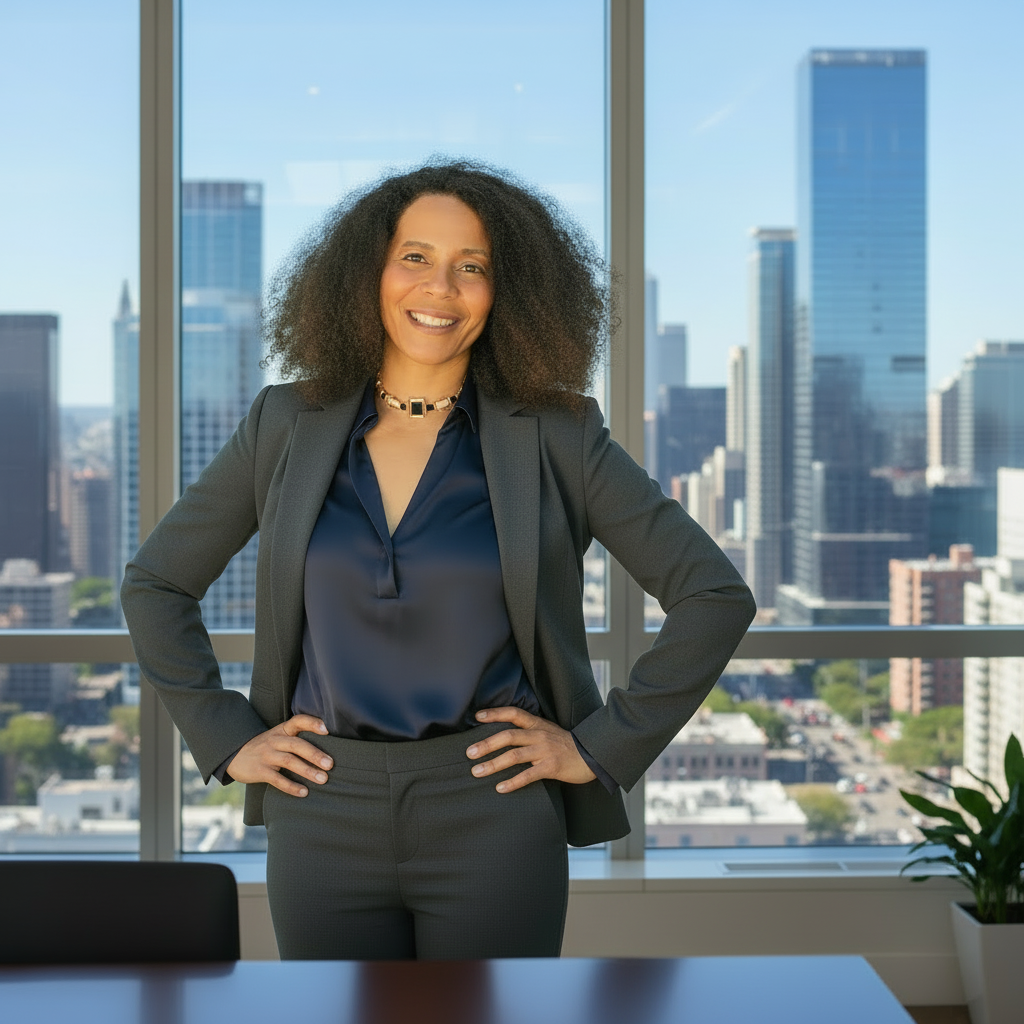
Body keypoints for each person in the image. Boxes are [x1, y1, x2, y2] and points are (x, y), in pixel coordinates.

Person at [121, 160, 755, 961]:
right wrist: (224, 734)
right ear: (369, 274)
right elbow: (156, 582)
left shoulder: (558, 432)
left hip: (492, 809)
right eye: (415, 257)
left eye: (473, 267)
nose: (441, 288)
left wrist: (596, 747)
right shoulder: (288, 422)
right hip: (321, 804)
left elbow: (712, 594)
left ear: (508, 294)